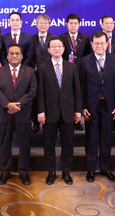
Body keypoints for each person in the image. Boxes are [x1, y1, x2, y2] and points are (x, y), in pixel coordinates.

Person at [37, 37, 82, 185]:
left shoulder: (72, 67)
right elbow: (40, 92)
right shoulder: (42, 68)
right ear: (49, 50)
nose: (56, 49)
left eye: (59, 46)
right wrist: (41, 111)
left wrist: (78, 110)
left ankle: (66, 172)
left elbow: (77, 91)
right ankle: (51, 172)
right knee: (49, 145)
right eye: (53, 46)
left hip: (68, 111)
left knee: (68, 144)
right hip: (49, 112)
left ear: (63, 49)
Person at [79, 32, 115, 183]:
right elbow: (81, 86)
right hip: (91, 107)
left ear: (107, 44)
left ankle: (105, 169)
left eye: (102, 43)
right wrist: (82, 107)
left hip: (109, 106)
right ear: (92, 44)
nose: (99, 46)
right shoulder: (84, 61)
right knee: (91, 139)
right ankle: (91, 170)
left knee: (106, 138)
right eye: (96, 43)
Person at [0, 44, 37, 186]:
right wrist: (8, 104)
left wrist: (18, 105)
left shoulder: (29, 71)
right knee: (4, 144)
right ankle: (5, 172)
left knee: (24, 145)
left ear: (22, 56)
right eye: (11, 53)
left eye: (17, 53)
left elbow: (32, 91)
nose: (14, 56)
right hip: (5, 114)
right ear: (7, 56)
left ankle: (24, 172)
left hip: (23, 114)